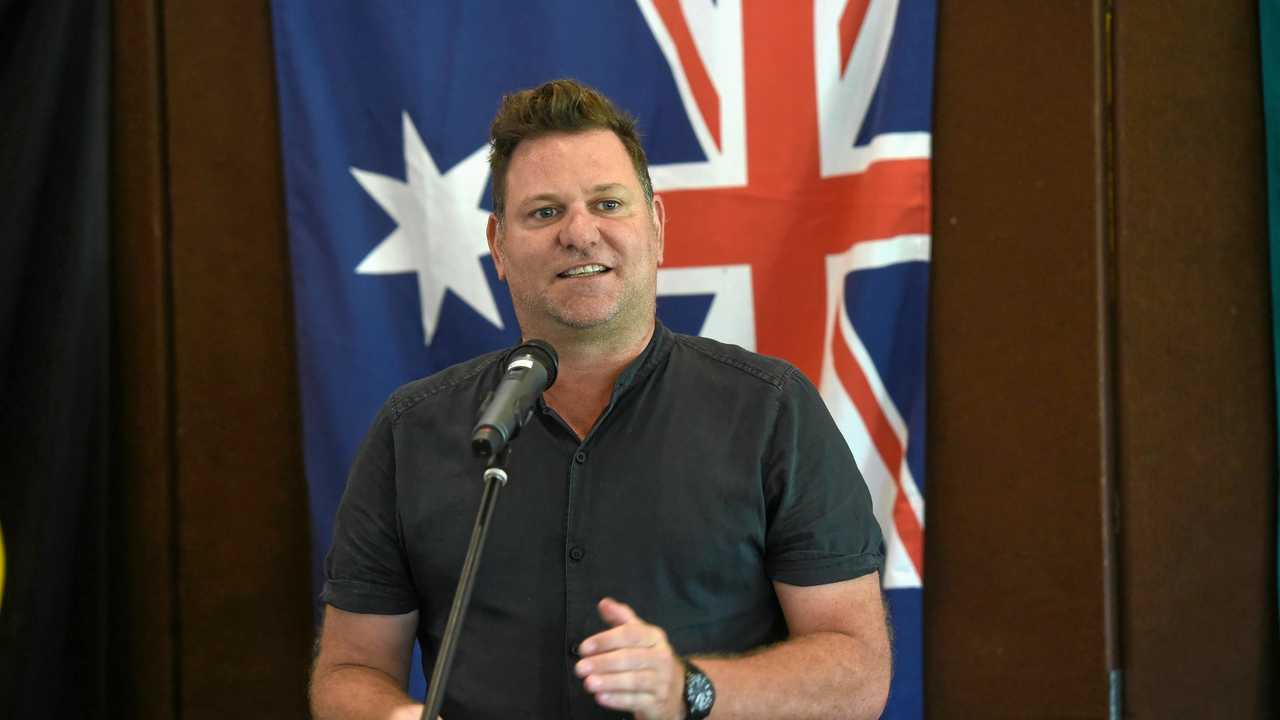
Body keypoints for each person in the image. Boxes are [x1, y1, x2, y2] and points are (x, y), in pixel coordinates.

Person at [310, 79, 891, 720]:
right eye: (544, 212)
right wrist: (392, 717)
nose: (580, 233)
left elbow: (857, 673)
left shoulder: (772, 412)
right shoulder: (411, 430)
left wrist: (688, 689)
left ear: (658, 226)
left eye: (608, 203)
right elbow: (350, 669)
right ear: (498, 246)